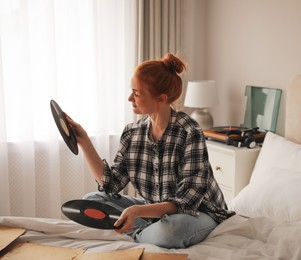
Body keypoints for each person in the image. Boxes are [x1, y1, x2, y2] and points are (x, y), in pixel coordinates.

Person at [67, 53, 234, 249]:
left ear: (161, 98)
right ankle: (148, 232)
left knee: (173, 230)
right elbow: (111, 185)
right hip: (156, 210)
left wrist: (137, 212)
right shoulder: (132, 133)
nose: (130, 98)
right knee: (91, 202)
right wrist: (84, 141)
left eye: (136, 93)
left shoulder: (189, 131)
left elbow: (187, 202)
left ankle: (137, 234)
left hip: (199, 213)